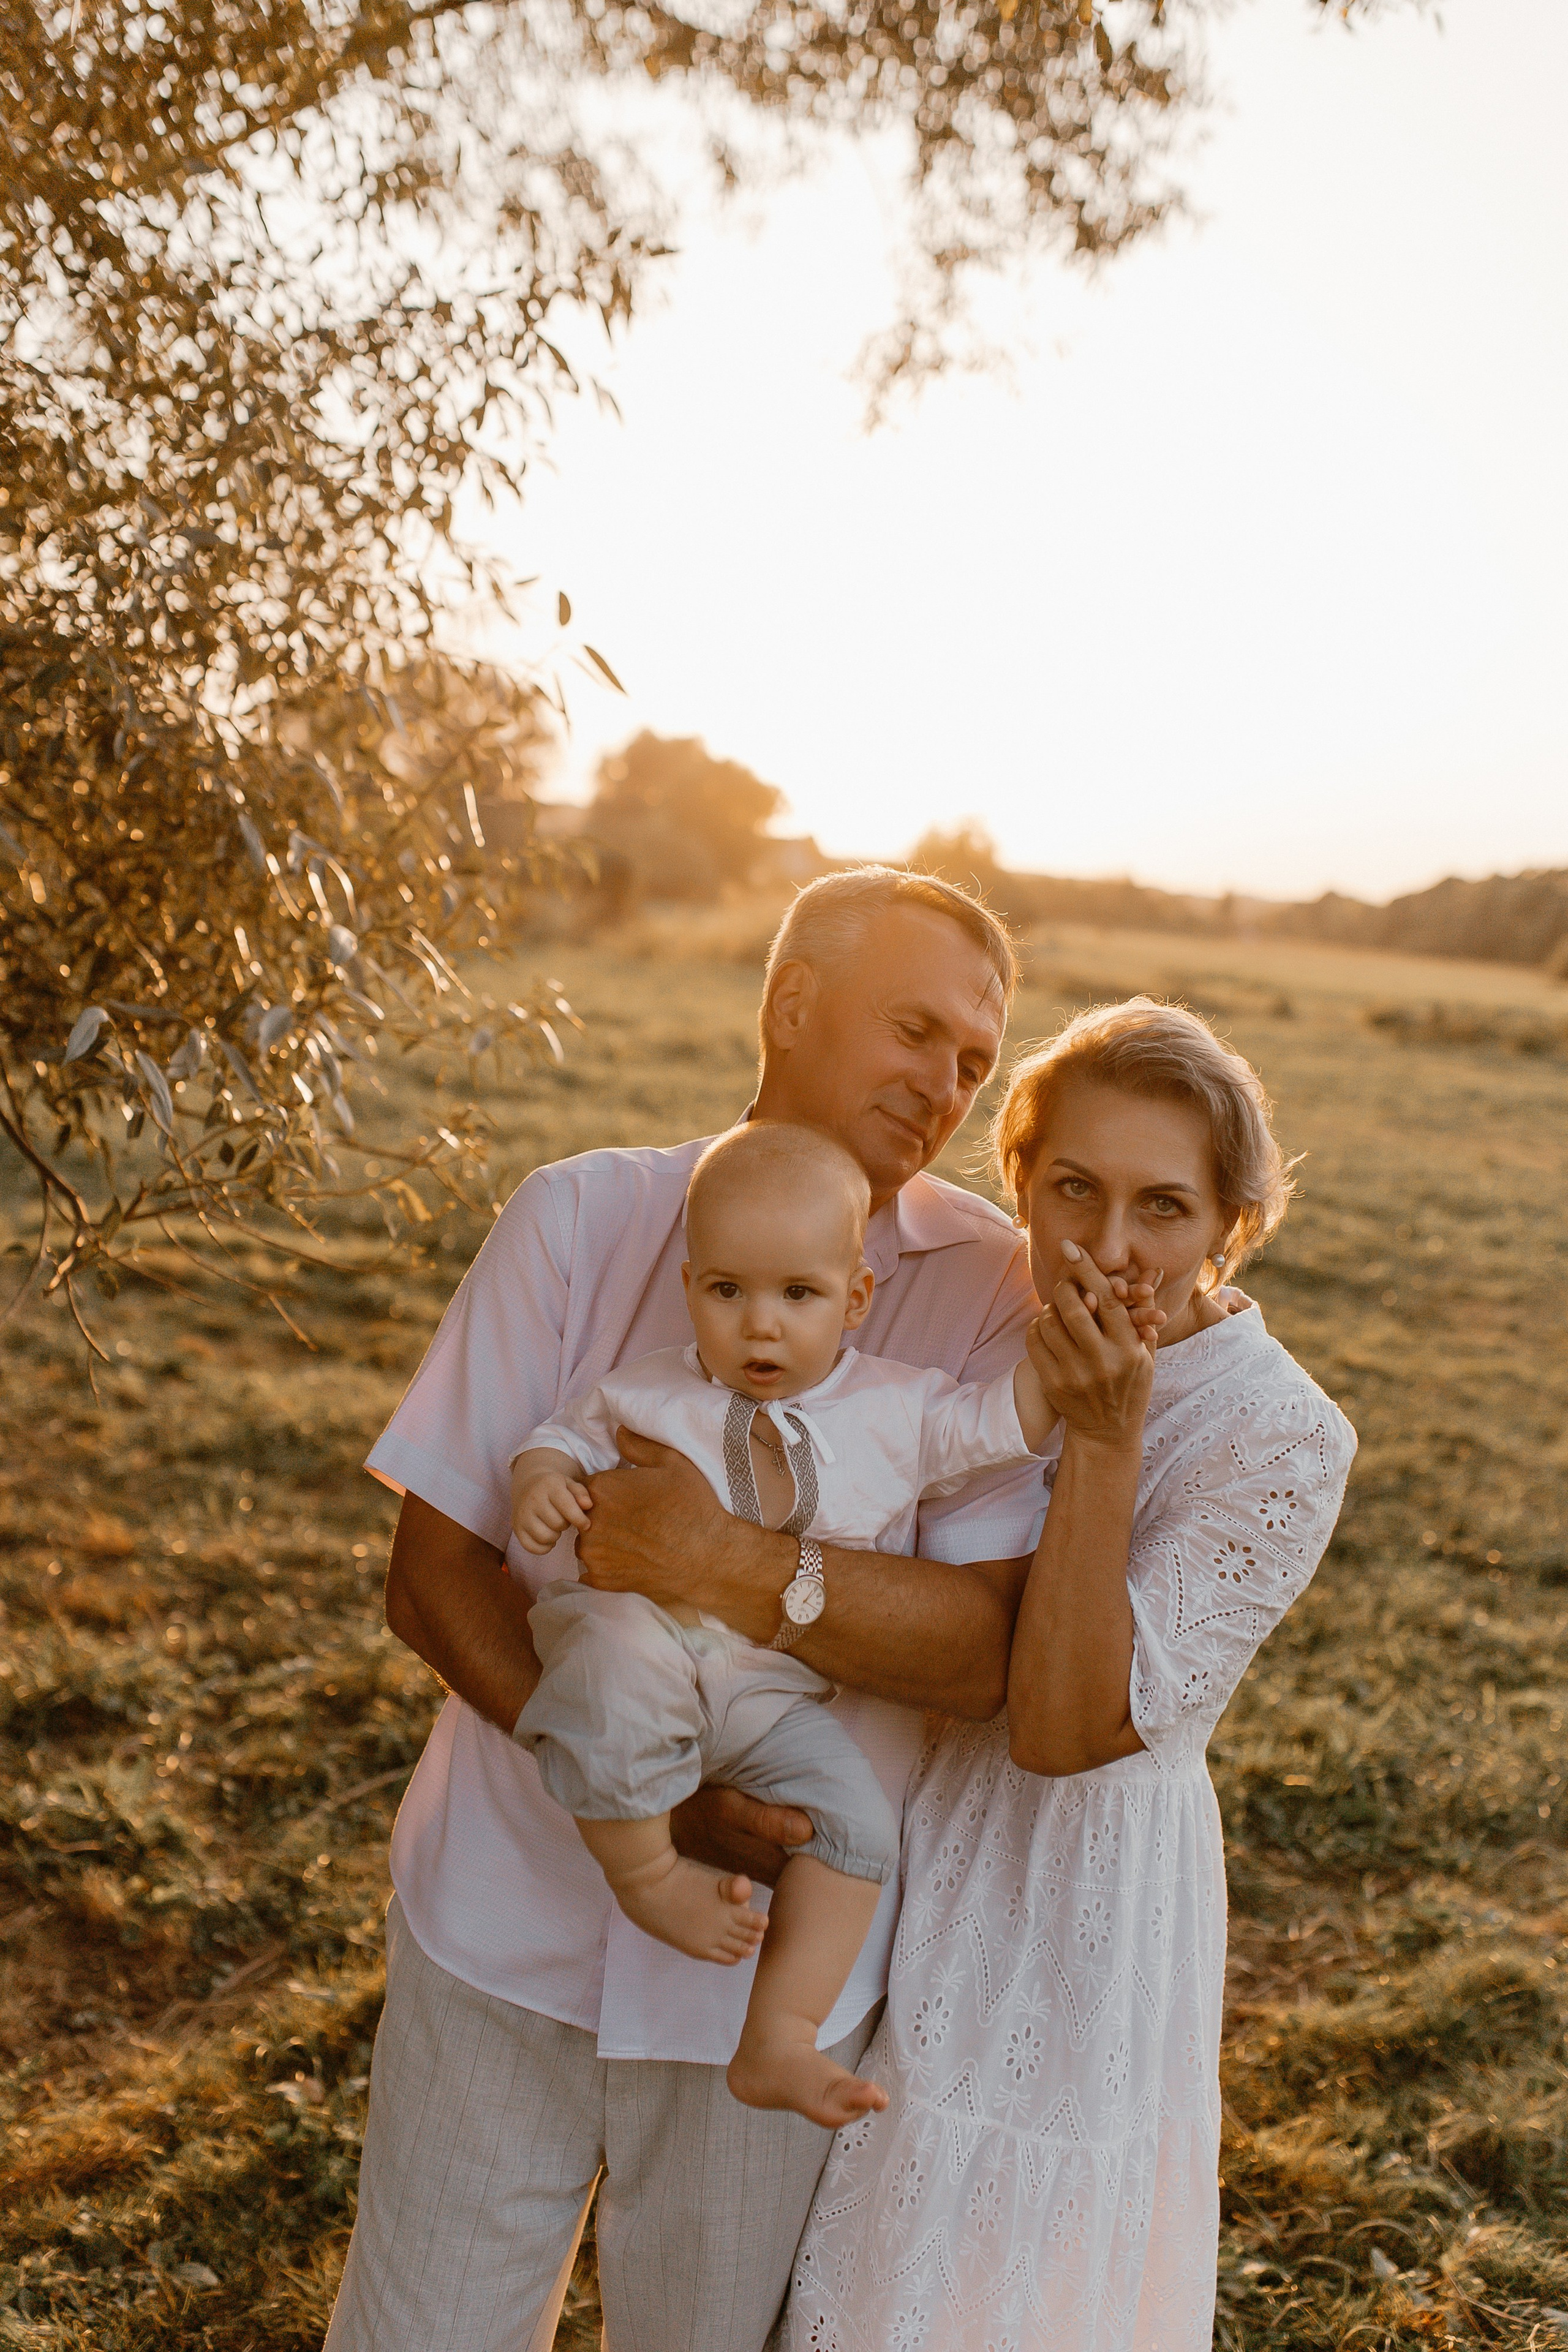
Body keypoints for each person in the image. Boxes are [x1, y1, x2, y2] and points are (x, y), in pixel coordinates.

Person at [324, 869, 1153, 2352]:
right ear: (788, 1005)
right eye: (914, 1030)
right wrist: (623, 1780)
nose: (945, 1084)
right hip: (496, 1926)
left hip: (773, 1987)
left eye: (974, 1059)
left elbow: (976, 1655)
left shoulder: (982, 1293)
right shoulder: (581, 1217)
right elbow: (433, 1566)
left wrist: (724, 1566)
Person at [783, 998, 1357, 2352]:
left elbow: (1060, 1726)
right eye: (1073, 1192)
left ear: (1232, 1221)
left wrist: (1105, 1438)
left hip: (1071, 1898)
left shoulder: (1284, 1438)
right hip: (893, 1834)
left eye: (1162, 1206)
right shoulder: (981, 1324)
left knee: (978, 2277)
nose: (1108, 1250)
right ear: (1019, 1187)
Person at [510, 1118, 1063, 2130]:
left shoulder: (897, 1409)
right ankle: (646, 1874)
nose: (760, 1327)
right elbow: (560, 1436)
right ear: (692, 1290)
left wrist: (1062, 1374)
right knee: (608, 1664)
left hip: (766, 1693)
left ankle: (781, 2035)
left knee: (854, 1825)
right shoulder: (652, 1391)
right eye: (729, 1292)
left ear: (855, 1298)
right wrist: (544, 1479)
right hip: (647, 1645)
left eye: (798, 1297)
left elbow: (992, 1425)